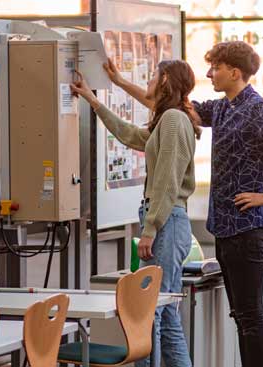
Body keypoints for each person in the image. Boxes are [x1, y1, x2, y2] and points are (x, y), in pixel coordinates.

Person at [104, 41, 263, 367]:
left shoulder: (259, 110)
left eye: (215, 68)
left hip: (248, 226)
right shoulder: (223, 107)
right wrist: (118, 83)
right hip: (226, 227)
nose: (209, 73)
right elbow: (164, 101)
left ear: (235, 72)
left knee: (250, 315)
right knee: (241, 316)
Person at [71, 60, 199, 367]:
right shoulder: (171, 119)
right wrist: (93, 100)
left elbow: (167, 180)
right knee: (165, 316)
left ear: (165, 79)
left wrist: (150, 228)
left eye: (154, 76)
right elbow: (129, 134)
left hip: (165, 223)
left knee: (149, 313)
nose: (150, 81)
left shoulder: (172, 119)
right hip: (169, 221)